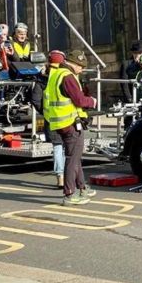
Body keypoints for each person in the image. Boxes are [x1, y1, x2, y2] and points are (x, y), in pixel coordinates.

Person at [44, 50, 97, 205]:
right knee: (73, 158)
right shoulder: (68, 76)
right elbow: (79, 100)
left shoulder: (56, 73)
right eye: (80, 66)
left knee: (75, 156)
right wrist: (92, 101)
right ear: (73, 63)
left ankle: (82, 187)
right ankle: (69, 193)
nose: (81, 69)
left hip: (59, 121)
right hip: (70, 123)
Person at [31, 50, 67, 188]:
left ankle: (60, 177)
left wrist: (45, 111)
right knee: (68, 148)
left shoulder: (41, 78)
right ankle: (70, 177)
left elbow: (35, 99)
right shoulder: (65, 76)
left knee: (58, 147)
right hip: (67, 118)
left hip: (51, 118)